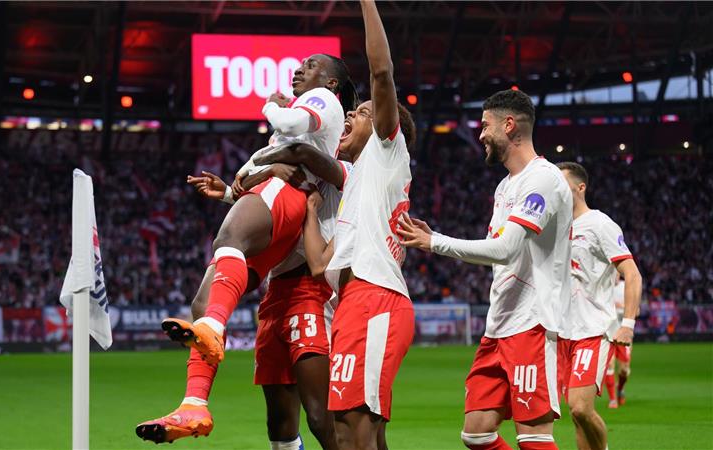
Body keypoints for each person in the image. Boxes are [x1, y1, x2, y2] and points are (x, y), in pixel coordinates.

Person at [136, 53, 358, 446]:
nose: (300, 69)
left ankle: (212, 331)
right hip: (278, 282)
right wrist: (235, 187)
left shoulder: (323, 107)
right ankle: (194, 403)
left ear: (332, 84)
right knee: (204, 304)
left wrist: (273, 105)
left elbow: (291, 146)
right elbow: (263, 169)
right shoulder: (305, 135)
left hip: (308, 284)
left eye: (311, 64)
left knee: (321, 417)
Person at [258, 1, 417, 447]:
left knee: (351, 432)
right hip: (349, 303)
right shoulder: (356, 188)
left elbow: (382, 74)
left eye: (362, 112)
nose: (350, 115)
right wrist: (310, 214)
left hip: (377, 299)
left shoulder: (386, 154)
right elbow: (317, 265)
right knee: (357, 432)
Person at [398, 89, 571, 450]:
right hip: (500, 326)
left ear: (509, 126)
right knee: (476, 433)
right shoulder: (505, 186)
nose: (479, 135)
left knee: (534, 438)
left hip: (533, 323)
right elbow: (496, 250)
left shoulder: (544, 179)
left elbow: (505, 250)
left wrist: (436, 242)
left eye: (485, 125)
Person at [556, 162, 642, 450]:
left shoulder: (600, 224)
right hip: (561, 333)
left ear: (581, 187)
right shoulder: (555, 229)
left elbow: (631, 273)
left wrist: (627, 325)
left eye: (563, 185)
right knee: (576, 415)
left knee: (580, 407)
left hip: (592, 329)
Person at [604, 277, 633, 408]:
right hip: (608, 331)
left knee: (624, 370)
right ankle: (612, 399)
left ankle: (620, 388)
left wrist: (622, 307)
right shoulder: (603, 286)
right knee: (609, 365)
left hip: (623, 332)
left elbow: (636, 310)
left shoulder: (625, 286)